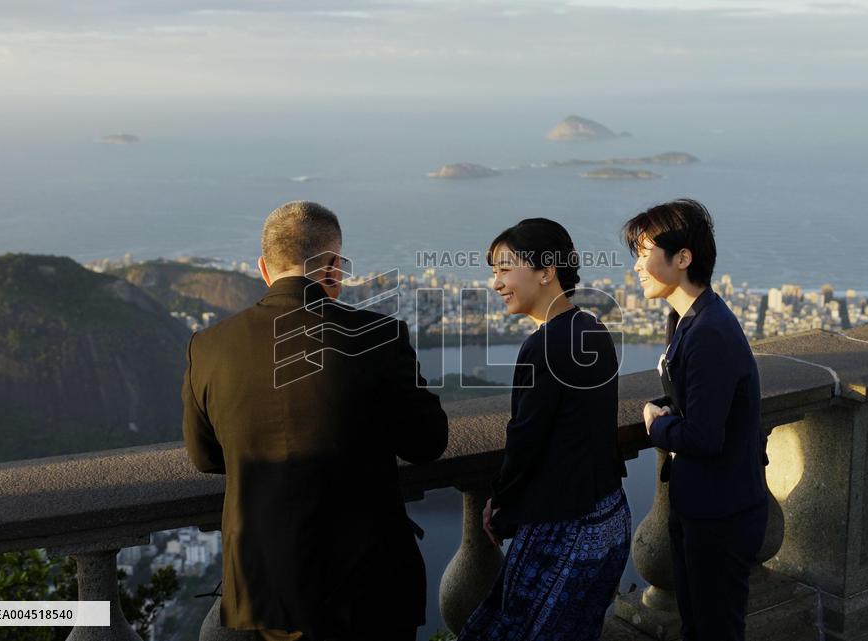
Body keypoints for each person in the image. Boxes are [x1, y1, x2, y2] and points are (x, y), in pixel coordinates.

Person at [181, 200, 449, 641]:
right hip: (368, 584)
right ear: (333, 266)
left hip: (265, 582)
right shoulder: (378, 337)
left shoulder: (207, 347)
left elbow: (205, 456)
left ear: (264, 268)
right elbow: (427, 444)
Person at [457, 218, 631, 641]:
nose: (495, 282)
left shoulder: (544, 344)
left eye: (504, 268)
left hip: (565, 529)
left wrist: (500, 502)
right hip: (610, 519)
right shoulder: (593, 329)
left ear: (545, 271)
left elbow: (526, 439)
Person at [624, 199, 768, 641]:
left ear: (682, 258)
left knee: (714, 630)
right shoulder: (689, 318)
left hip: (721, 514)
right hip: (706, 506)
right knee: (698, 625)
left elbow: (704, 436)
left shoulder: (707, 332)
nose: (636, 267)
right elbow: (697, 398)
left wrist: (655, 424)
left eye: (644, 253)